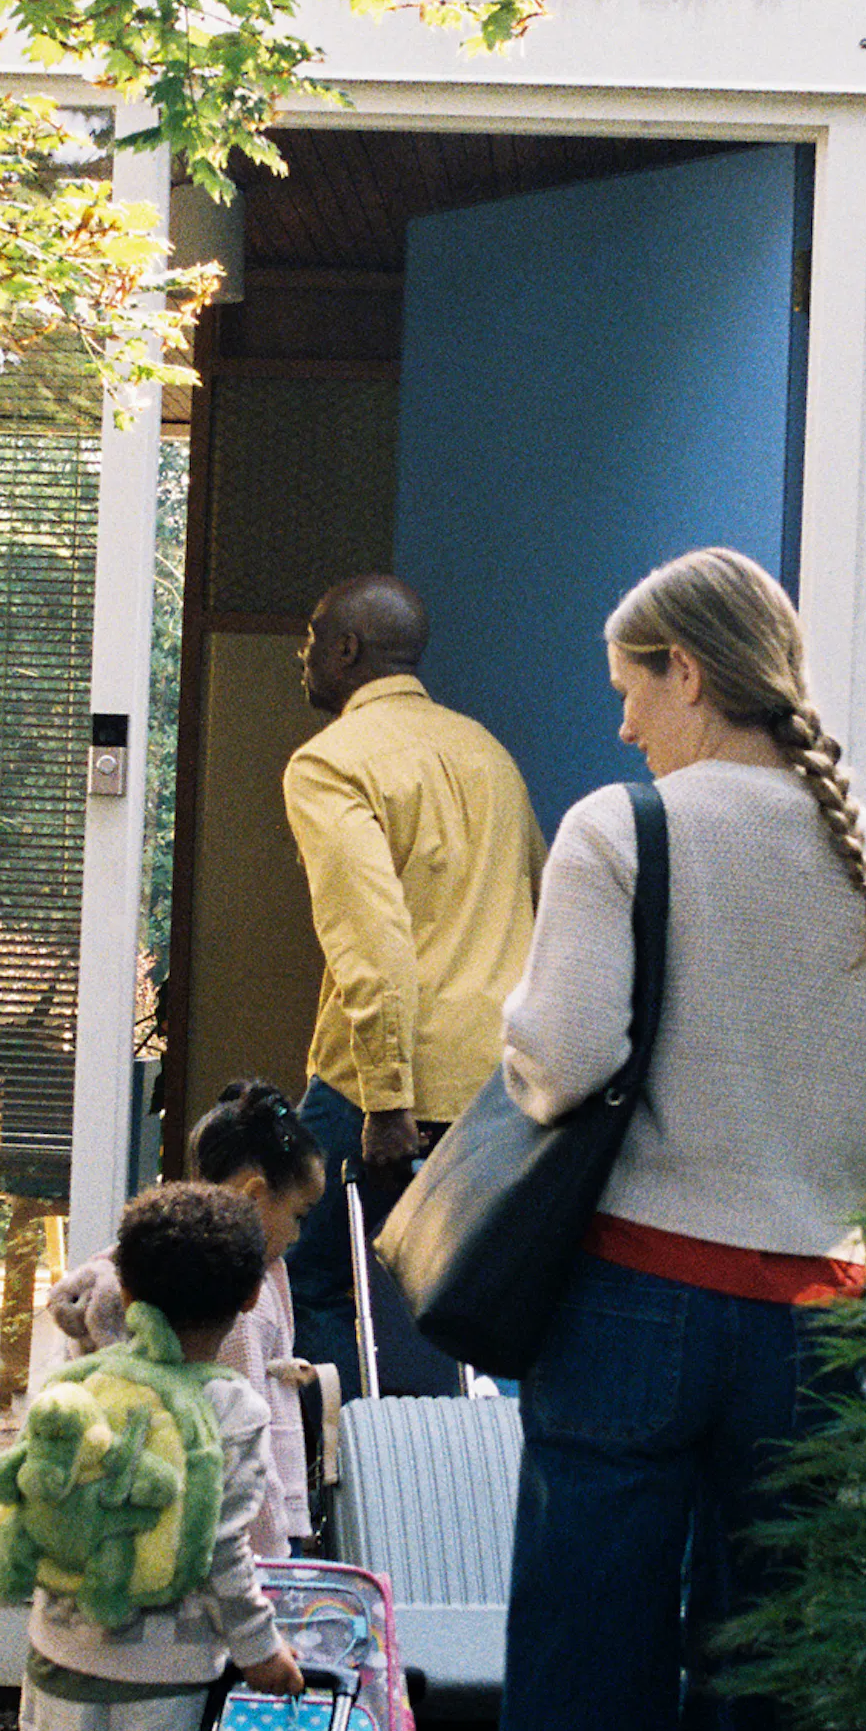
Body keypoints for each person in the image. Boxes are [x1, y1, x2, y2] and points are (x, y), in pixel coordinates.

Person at [492, 547, 866, 1731]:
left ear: (690, 668)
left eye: (632, 686)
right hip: (818, 1321)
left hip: (637, 1307)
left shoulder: (627, 835)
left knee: (590, 1680)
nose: (621, 726)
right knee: (768, 1663)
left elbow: (562, 1058)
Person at [0, 1181, 306, 1731]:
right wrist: (262, 1651)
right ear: (252, 1295)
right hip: (169, 1671)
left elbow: (24, 1484)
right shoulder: (233, 1407)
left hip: (63, 1650)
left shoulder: (85, 1378)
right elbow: (226, 1552)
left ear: (130, 1288)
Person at [283, 572, 545, 1397]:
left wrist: (390, 1099)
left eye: (313, 638)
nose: (303, 656)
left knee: (307, 1274)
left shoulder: (329, 764)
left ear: (347, 650)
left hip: (383, 1086)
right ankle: (479, 1489)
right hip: (499, 1083)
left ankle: (350, 1484)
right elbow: (546, 904)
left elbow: (373, 940)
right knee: (474, 1296)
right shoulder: (486, 751)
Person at [40, 1078, 330, 1560]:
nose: (300, 1233)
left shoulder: (159, 1262)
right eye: (300, 1214)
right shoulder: (235, 1302)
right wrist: (276, 1552)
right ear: (255, 1197)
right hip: (226, 1538)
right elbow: (242, 1447)